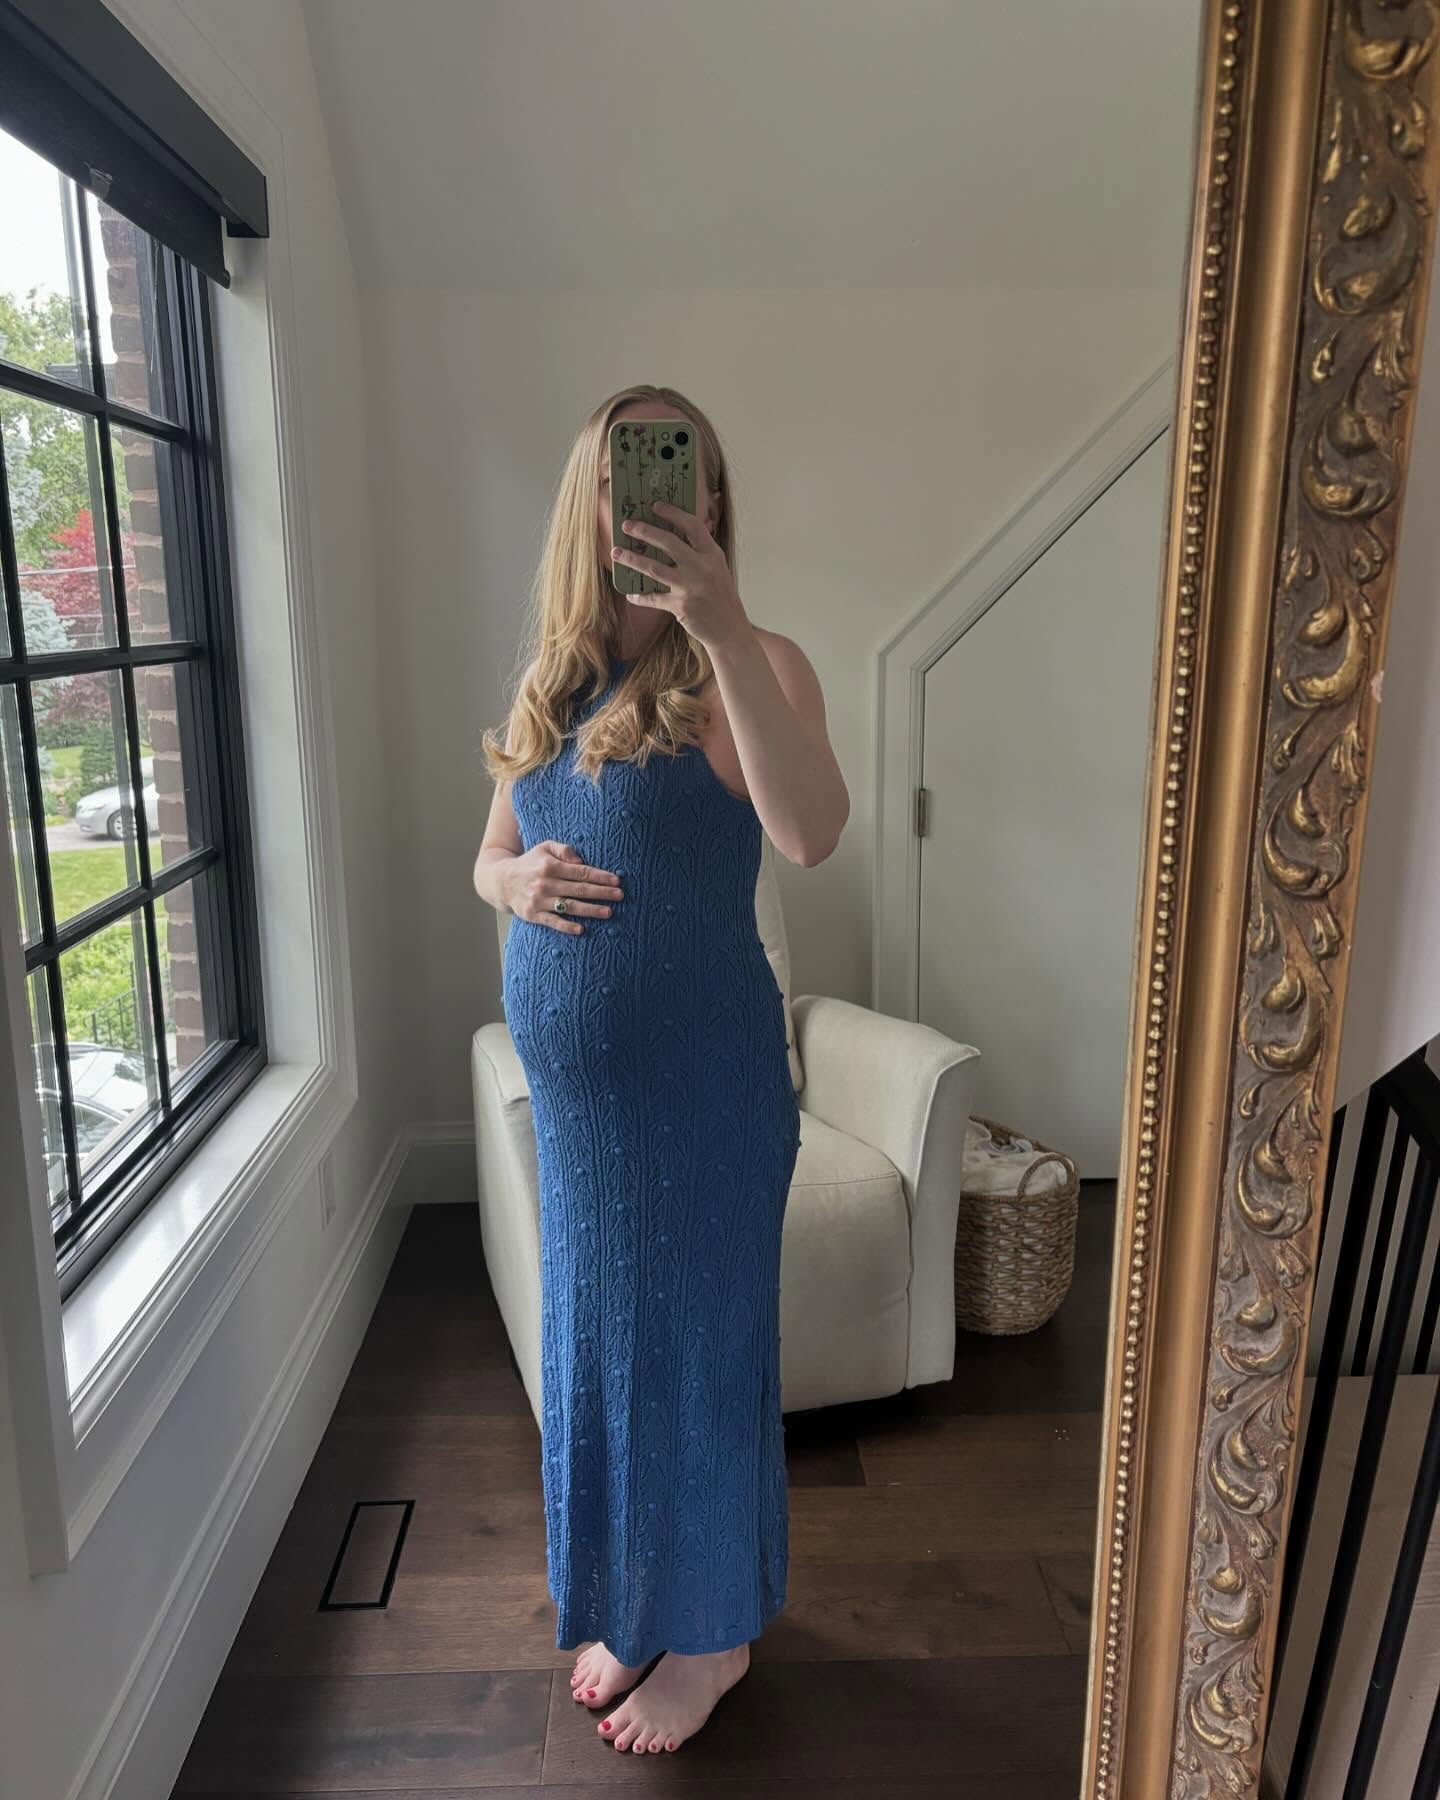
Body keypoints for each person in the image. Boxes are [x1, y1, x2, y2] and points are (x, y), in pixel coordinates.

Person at [474, 383, 848, 1754]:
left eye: (683, 477)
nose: (657, 501)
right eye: (629, 478)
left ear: (713, 502)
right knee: (601, 1359)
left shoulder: (756, 662)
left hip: (705, 1099)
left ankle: (715, 1637)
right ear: (592, 505)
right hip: (585, 1127)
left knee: (697, 1363)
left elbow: (810, 831)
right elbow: (487, 855)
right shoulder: (550, 680)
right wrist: (513, 881)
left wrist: (725, 627)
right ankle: (638, 1605)